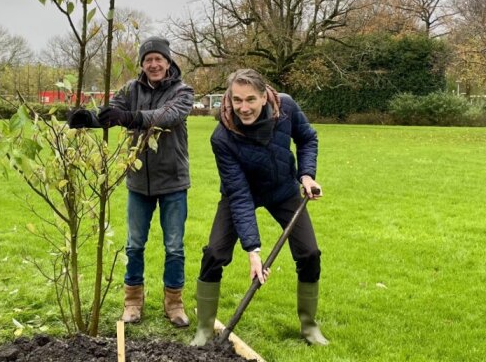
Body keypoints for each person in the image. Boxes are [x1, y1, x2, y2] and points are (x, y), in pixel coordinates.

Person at [191, 68, 328, 346]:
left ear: (264, 97)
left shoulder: (286, 107)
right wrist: (253, 251)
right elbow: (240, 195)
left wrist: (306, 174)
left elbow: (307, 138)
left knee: (309, 252)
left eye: (250, 99)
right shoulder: (222, 137)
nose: (243, 107)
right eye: (237, 100)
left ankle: (309, 326)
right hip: (241, 194)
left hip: (282, 190)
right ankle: (205, 329)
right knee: (215, 253)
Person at [97, 36, 194, 327]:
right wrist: (87, 118)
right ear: (142, 64)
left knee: (174, 246)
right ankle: (132, 302)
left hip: (173, 181)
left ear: (168, 62)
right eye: (148, 59)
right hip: (138, 181)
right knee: (134, 245)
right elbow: (111, 113)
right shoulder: (130, 89)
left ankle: (174, 304)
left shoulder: (182, 91)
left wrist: (129, 116)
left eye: (158, 59)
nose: (153, 64)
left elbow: (167, 116)